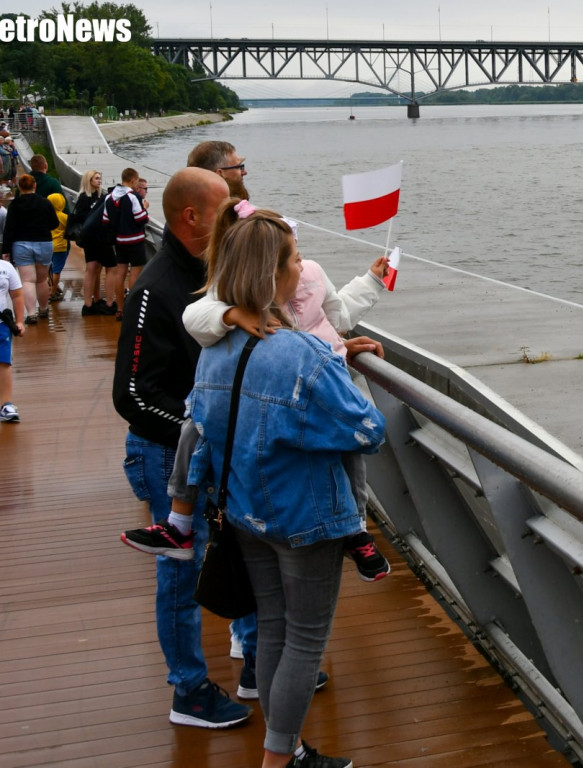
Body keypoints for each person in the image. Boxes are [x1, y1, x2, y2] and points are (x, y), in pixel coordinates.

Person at [185, 200, 385, 768]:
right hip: (308, 515)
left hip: (247, 509)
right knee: (305, 639)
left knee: (271, 628)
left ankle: (287, 748)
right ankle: (279, 760)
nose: (302, 268)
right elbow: (368, 430)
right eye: (294, 259)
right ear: (274, 273)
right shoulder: (298, 352)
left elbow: (204, 421)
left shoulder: (216, 346)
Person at [111, 166, 252, 729]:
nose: (234, 219)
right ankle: (188, 693)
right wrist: (199, 433)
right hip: (164, 455)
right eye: (225, 210)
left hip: (206, 453)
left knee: (235, 551)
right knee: (179, 572)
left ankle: (254, 663)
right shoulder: (156, 287)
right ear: (191, 216)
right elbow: (132, 396)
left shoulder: (209, 273)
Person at [1, 174, 58, 324]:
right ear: (35, 186)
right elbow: (54, 224)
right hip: (44, 243)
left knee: (27, 280)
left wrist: (6, 250)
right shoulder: (45, 203)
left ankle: (31, 314)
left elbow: (9, 229)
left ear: (19, 187)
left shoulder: (15, 205)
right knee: (41, 280)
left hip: (22, 245)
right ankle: (44, 308)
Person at [104, 167, 149, 317]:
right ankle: (133, 308)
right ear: (133, 180)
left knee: (120, 273)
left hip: (119, 241)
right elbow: (140, 218)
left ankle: (120, 308)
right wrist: (145, 208)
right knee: (135, 273)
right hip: (135, 240)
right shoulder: (132, 196)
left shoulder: (109, 197)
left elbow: (105, 220)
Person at [73, 170, 118, 316]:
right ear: (89, 180)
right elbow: (81, 217)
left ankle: (93, 301)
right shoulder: (85, 198)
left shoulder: (100, 196)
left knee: (93, 268)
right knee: (108, 267)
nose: (99, 181)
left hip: (92, 238)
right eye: (96, 178)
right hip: (97, 238)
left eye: (100, 178)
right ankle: (108, 302)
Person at [0, 256, 25, 422]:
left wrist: (19, 321)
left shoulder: (6, 268)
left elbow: (17, 295)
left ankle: (5, 404)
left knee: (4, 363)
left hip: (1, 324)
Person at [47, 192, 68, 302]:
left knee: (49, 268)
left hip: (48, 245)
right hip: (60, 246)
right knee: (57, 270)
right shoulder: (64, 217)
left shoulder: (47, 216)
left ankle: (50, 285)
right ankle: (53, 291)